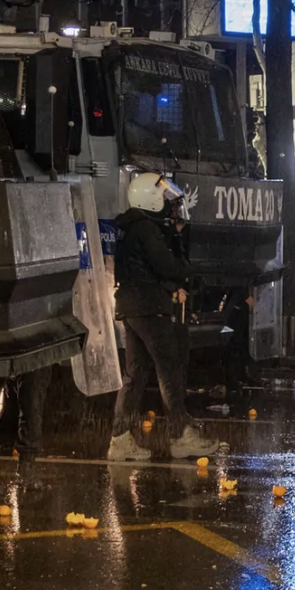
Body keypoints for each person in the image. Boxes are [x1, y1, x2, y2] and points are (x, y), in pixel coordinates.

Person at [109, 172, 195, 462]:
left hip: (131, 307)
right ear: (151, 200)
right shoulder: (147, 230)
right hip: (149, 308)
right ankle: (181, 436)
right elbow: (169, 266)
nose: (170, 208)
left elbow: (144, 269)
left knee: (135, 375)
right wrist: (180, 243)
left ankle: (120, 439)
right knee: (168, 369)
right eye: (165, 201)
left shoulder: (130, 228)